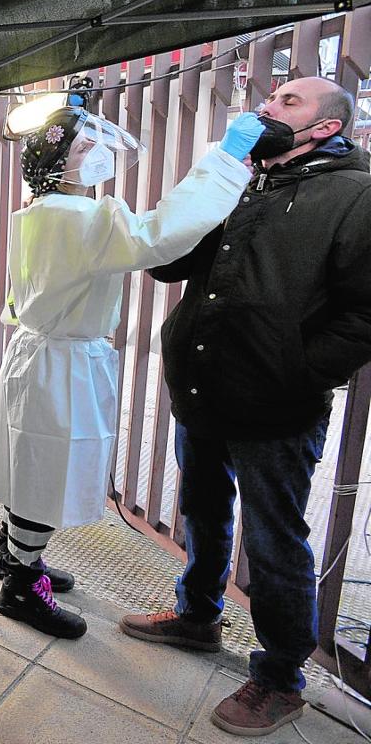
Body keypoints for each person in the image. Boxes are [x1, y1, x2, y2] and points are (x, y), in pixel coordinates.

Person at [120, 77, 371, 737]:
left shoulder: (355, 196)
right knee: (202, 511)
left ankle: (280, 678)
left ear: (325, 128)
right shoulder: (241, 180)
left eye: (289, 102)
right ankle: (198, 616)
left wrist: (299, 369)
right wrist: (218, 172)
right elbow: (165, 263)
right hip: (204, 387)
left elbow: (365, 313)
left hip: (277, 405)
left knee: (274, 539)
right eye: (269, 98)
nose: (266, 107)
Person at [0, 101, 258, 640]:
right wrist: (224, 160)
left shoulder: (39, 209)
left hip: (40, 356)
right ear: (57, 162)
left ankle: (13, 557)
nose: (100, 153)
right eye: (85, 146)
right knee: (45, 472)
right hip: (60, 363)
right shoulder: (81, 216)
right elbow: (159, 234)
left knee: (31, 464)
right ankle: (19, 585)